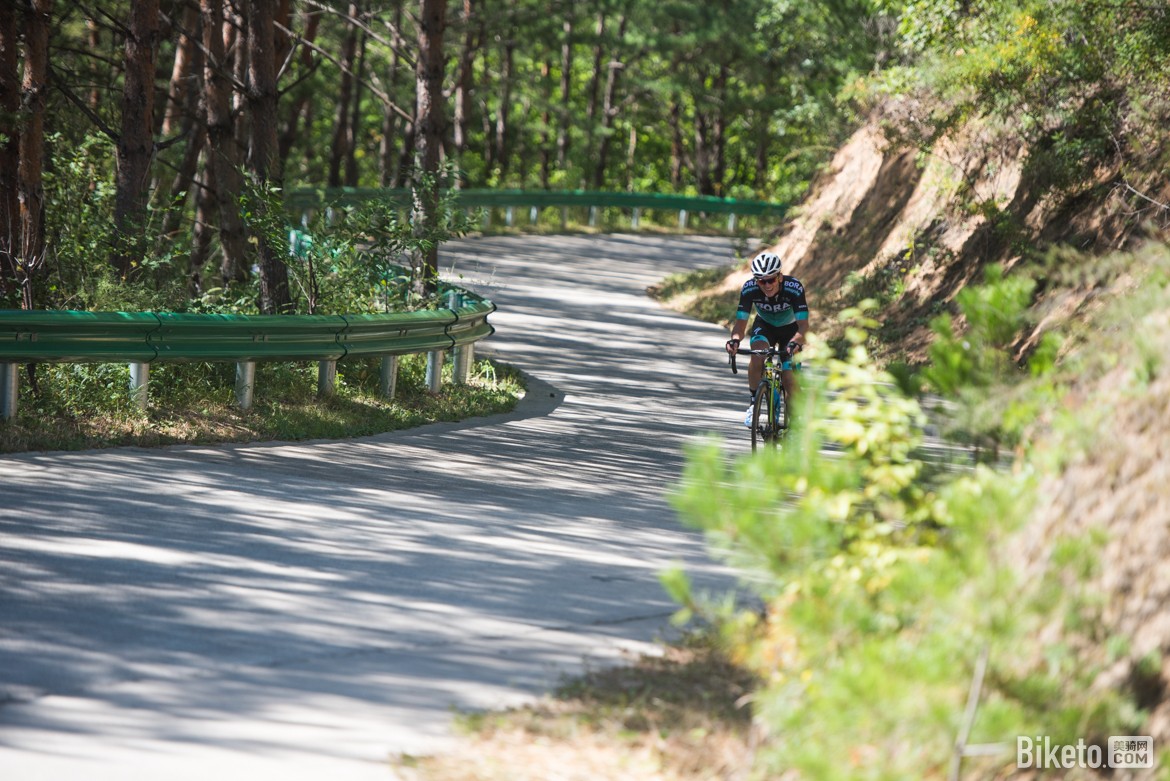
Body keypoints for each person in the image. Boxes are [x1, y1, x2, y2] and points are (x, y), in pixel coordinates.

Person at [723, 251, 809, 427]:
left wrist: (796, 343)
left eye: (771, 279)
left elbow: (803, 326)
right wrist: (734, 341)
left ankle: (796, 424)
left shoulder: (794, 288)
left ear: (780, 276)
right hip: (765, 326)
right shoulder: (749, 289)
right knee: (757, 356)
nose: (767, 285)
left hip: (791, 330)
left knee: (789, 379)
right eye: (762, 280)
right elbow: (740, 324)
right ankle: (754, 403)